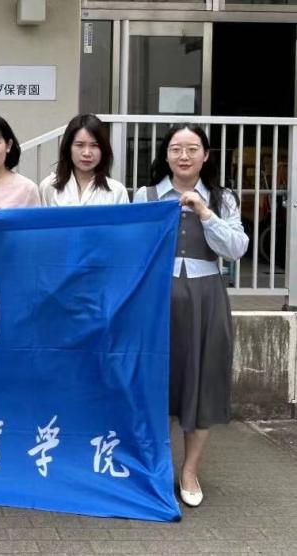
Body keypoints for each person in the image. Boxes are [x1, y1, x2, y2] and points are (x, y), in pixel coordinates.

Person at [133, 124, 248, 508]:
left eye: (192, 149)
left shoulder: (222, 198)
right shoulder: (147, 196)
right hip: (157, 301)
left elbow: (236, 249)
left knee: (201, 382)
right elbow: (134, 247)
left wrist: (205, 214)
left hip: (206, 300)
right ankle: (157, 468)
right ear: (166, 155)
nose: (184, 156)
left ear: (206, 155)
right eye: (176, 149)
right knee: (158, 383)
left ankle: (190, 471)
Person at [39, 114, 129, 206]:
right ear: (68, 147)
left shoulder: (117, 191)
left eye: (94, 145)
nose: (86, 153)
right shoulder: (49, 187)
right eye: (79, 145)